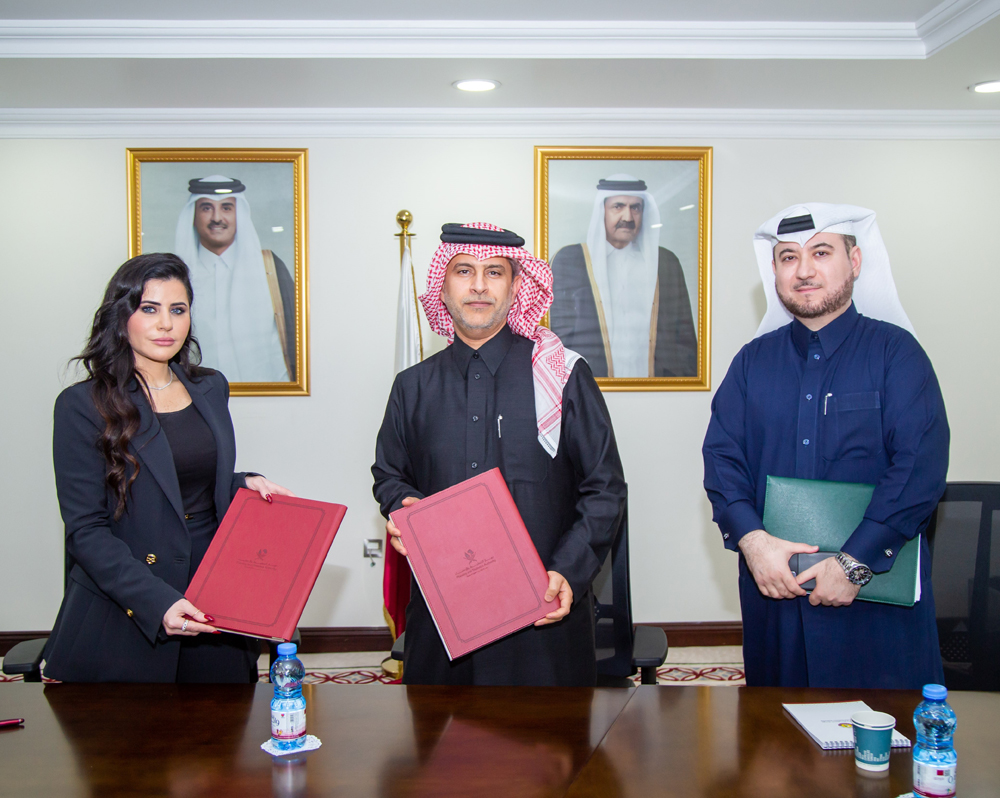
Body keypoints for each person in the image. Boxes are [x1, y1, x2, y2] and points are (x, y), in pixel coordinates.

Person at [702, 203, 949, 689]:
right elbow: (722, 459)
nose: (804, 270)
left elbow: (919, 468)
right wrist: (753, 542)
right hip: (777, 589)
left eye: (820, 252)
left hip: (875, 593)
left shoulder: (897, 354)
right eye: (788, 257)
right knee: (775, 727)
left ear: (854, 262)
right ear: (775, 270)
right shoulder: (751, 363)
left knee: (882, 729)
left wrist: (854, 563)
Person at [372, 222, 627, 686]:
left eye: (494, 272)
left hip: (543, 615)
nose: (478, 286)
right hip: (441, 618)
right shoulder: (412, 387)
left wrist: (567, 571)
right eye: (463, 271)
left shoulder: (562, 377)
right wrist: (405, 508)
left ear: (515, 288)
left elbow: (604, 487)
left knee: (549, 734)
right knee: (436, 733)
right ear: (442, 289)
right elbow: (389, 474)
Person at [44, 253, 293, 682]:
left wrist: (242, 482)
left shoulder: (210, 386)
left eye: (178, 310)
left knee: (222, 722)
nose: (166, 324)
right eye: (149, 309)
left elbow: (187, 480)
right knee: (135, 727)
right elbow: (85, 529)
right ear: (121, 316)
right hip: (129, 599)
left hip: (214, 591)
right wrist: (156, 600)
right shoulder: (82, 405)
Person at [550, 174, 697, 378]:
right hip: (590, 386)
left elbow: (684, 337)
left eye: (635, 208)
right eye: (618, 206)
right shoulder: (570, 260)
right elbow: (558, 336)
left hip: (655, 388)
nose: (628, 217)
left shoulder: (665, 263)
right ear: (602, 211)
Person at [173, 175, 295, 382]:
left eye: (227, 208)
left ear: (240, 214)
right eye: (206, 208)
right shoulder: (176, 275)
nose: (217, 218)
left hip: (267, 393)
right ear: (193, 215)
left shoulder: (270, 269)